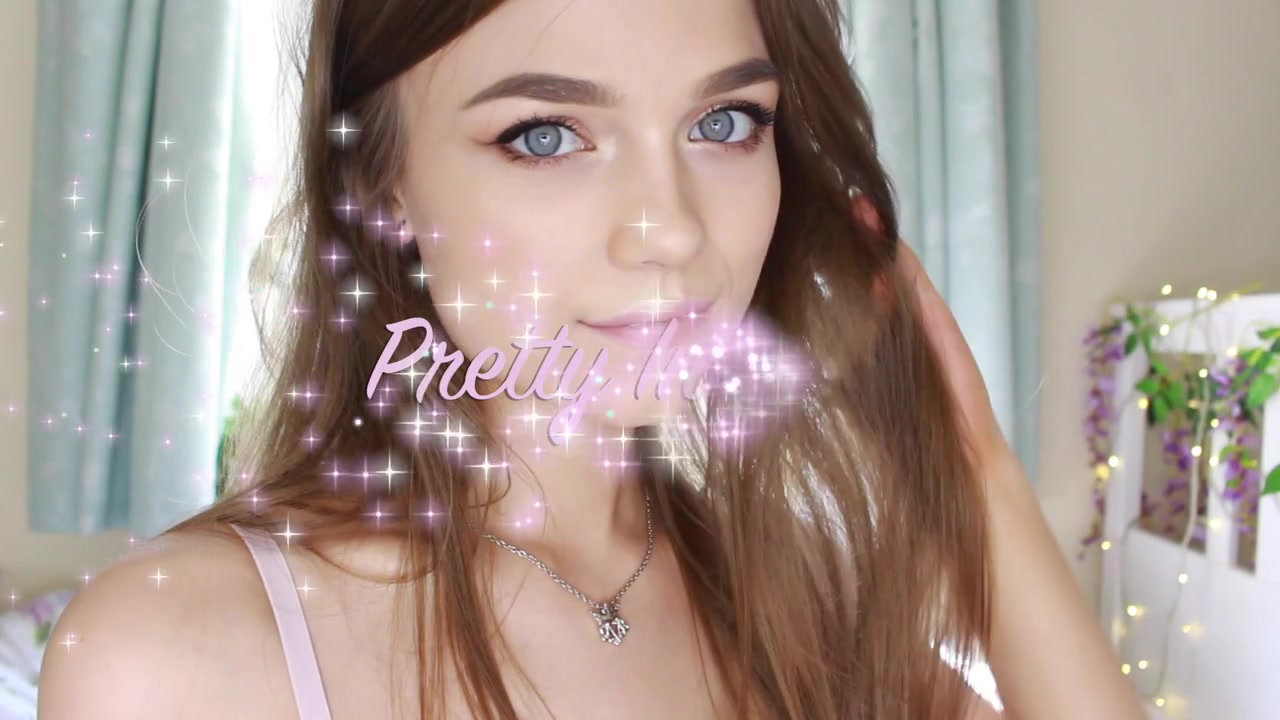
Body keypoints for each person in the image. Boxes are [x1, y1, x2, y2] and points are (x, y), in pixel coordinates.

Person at [38, 0, 1146, 717]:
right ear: (380, 183)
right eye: (545, 135)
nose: (669, 230)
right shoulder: (175, 652)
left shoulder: (800, 599)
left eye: (726, 123)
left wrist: (976, 478)